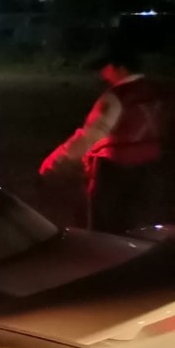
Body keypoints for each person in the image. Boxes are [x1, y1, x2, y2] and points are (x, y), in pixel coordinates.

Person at [40, 46, 170, 233]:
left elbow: (91, 135)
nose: (103, 74)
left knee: (105, 223)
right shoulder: (155, 91)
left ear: (121, 68)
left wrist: (56, 160)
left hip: (114, 168)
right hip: (149, 164)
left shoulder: (116, 96)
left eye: (106, 68)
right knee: (138, 221)